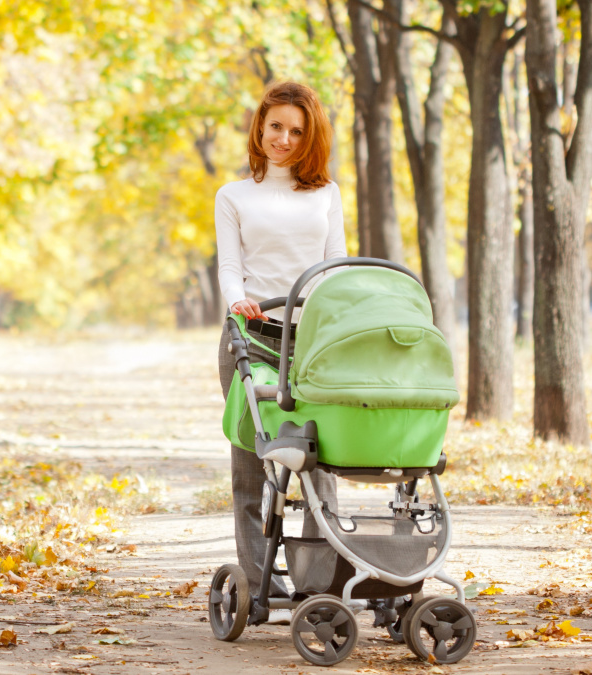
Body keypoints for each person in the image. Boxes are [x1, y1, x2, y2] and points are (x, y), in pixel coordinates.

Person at [215, 81, 344, 623]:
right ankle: (258, 587)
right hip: (252, 335)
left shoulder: (326, 193)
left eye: (296, 130)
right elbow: (228, 265)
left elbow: (336, 263)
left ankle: (318, 589)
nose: (284, 139)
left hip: (309, 342)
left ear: (309, 135)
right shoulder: (233, 195)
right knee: (252, 464)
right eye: (276, 127)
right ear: (260, 127)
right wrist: (238, 299)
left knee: (321, 464)